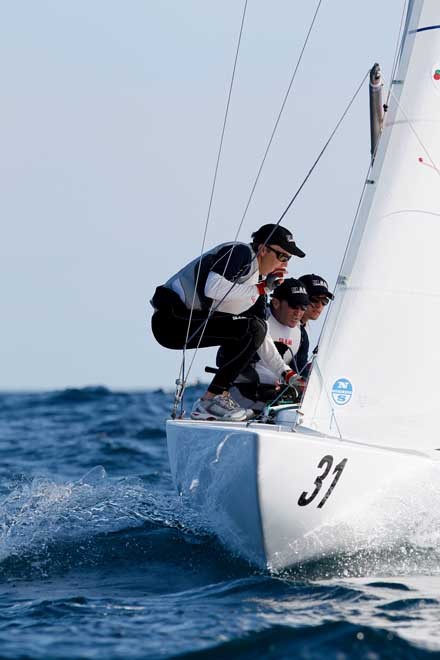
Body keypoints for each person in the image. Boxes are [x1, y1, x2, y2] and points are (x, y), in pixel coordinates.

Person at [150, 224, 306, 421]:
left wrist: (286, 373)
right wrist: (261, 288)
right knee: (252, 327)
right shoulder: (241, 253)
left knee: (255, 328)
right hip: (171, 322)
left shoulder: (257, 285)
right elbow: (212, 288)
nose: (284, 264)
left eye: (288, 259)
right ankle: (210, 401)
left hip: (188, 324)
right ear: (263, 249)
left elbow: (260, 335)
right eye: (282, 256)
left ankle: (214, 400)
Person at [228, 278, 310, 410]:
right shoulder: (257, 320)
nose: (298, 313)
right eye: (294, 306)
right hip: (243, 389)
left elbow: (301, 370)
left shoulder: (301, 335)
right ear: (276, 303)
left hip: (276, 394)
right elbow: (227, 358)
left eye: (303, 307)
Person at [295, 274, 334, 376]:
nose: (319, 305)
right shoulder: (280, 319)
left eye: (325, 301)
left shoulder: (305, 326)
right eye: (315, 299)